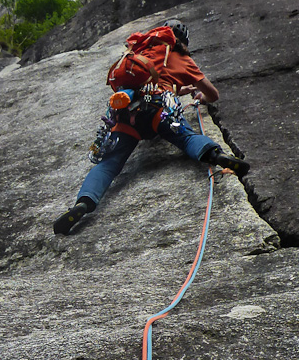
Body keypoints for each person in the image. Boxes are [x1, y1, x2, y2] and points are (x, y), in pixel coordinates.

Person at [53, 19, 249, 236]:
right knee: (186, 138)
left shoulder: (141, 50)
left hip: (127, 113)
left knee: (108, 164)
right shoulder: (183, 59)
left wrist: (178, 89)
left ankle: (83, 202)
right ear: (184, 41)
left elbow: (149, 78)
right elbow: (213, 94)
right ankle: (215, 155)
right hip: (159, 110)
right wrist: (199, 97)